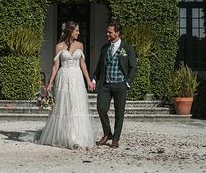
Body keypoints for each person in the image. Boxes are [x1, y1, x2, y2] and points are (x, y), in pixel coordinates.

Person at [36, 21, 95, 149]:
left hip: (77, 78)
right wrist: (50, 83)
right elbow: (56, 66)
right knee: (64, 107)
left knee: (76, 105)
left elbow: (83, 64)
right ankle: (65, 136)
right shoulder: (59, 46)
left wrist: (89, 80)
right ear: (70, 31)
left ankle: (77, 137)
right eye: (77, 31)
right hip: (64, 78)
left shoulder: (80, 45)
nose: (79, 33)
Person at [89, 21, 137, 148]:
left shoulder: (127, 48)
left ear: (117, 33)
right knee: (101, 108)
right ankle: (107, 133)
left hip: (121, 85)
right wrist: (94, 80)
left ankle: (116, 138)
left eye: (110, 32)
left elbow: (133, 67)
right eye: (107, 31)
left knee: (119, 113)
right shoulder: (104, 48)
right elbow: (99, 66)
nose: (107, 34)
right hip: (105, 84)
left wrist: (128, 82)